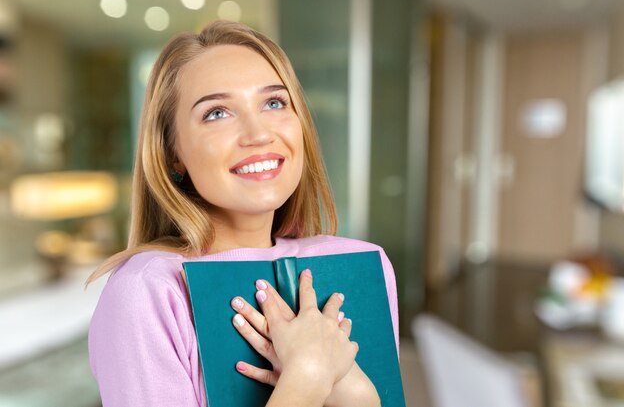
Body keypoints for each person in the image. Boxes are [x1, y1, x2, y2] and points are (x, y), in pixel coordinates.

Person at [87, 20, 399, 407]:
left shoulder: (363, 265)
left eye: (274, 102)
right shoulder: (149, 290)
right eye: (217, 112)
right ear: (172, 153)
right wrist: (305, 380)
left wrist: (356, 393)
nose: (258, 133)